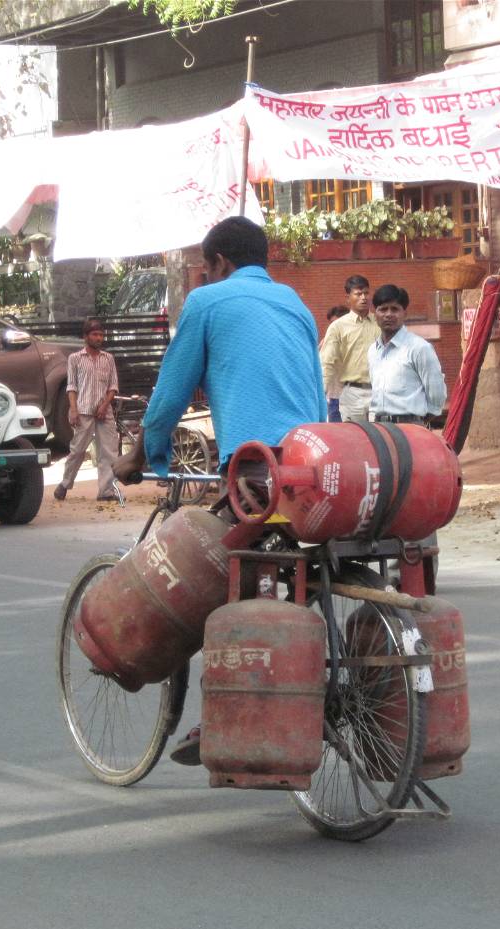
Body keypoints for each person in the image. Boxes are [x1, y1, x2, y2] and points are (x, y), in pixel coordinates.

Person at [113, 215, 326, 767]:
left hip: (258, 471)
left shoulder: (208, 304)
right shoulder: (297, 306)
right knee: (298, 568)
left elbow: (169, 395)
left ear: (219, 265)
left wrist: (145, 455)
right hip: (320, 465)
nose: (203, 279)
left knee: (220, 574)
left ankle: (225, 707)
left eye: (204, 270)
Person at [53, 318, 119, 502]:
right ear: (86, 337)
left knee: (109, 452)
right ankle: (65, 483)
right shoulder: (75, 359)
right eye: (95, 335)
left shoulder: (108, 359)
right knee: (77, 450)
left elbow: (113, 386)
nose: (99, 338)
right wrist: (73, 410)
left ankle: (106, 491)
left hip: (104, 412)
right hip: (82, 411)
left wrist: (105, 404)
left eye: (101, 335)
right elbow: (71, 387)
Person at [367, 284, 446, 425]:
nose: (388, 314)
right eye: (383, 309)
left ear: (405, 313)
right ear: (375, 315)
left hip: (409, 427)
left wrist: (418, 421)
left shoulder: (419, 348)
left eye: (395, 309)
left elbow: (437, 394)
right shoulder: (373, 350)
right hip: (378, 428)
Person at [318, 275, 378, 423]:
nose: (363, 298)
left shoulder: (380, 323)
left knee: (380, 439)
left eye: (366, 293)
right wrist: (320, 395)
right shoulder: (338, 327)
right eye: (358, 294)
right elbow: (327, 362)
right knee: (355, 439)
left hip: (380, 393)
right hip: (352, 394)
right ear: (348, 298)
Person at [322, 304, 349, 422]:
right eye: (331, 323)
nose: (334, 327)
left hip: (354, 398)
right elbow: (323, 364)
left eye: (337, 323)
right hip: (334, 397)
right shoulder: (328, 341)